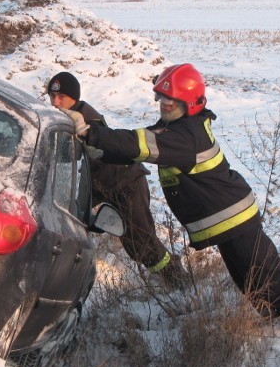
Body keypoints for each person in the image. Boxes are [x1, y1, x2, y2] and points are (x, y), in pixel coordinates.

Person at [60, 64, 280, 347]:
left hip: (236, 221)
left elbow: (139, 144)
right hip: (228, 223)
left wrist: (91, 133)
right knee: (251, 281)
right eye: (161, 99)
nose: (164, 105)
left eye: (172, 100)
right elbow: (132, 142)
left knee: (272, 278)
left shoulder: (186, 136)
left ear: (191, 102)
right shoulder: (176, 128)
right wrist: (98, 142)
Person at [46, 71, 187, 288]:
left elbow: (94, 147)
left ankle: (177, 280)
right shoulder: (65, 116)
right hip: (98, 186)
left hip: (126, 183)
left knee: (141, 243)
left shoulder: (87, 119)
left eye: (61, 97)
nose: (56, 103)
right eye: (52, 97)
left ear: (74, 97)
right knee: (68, 220)